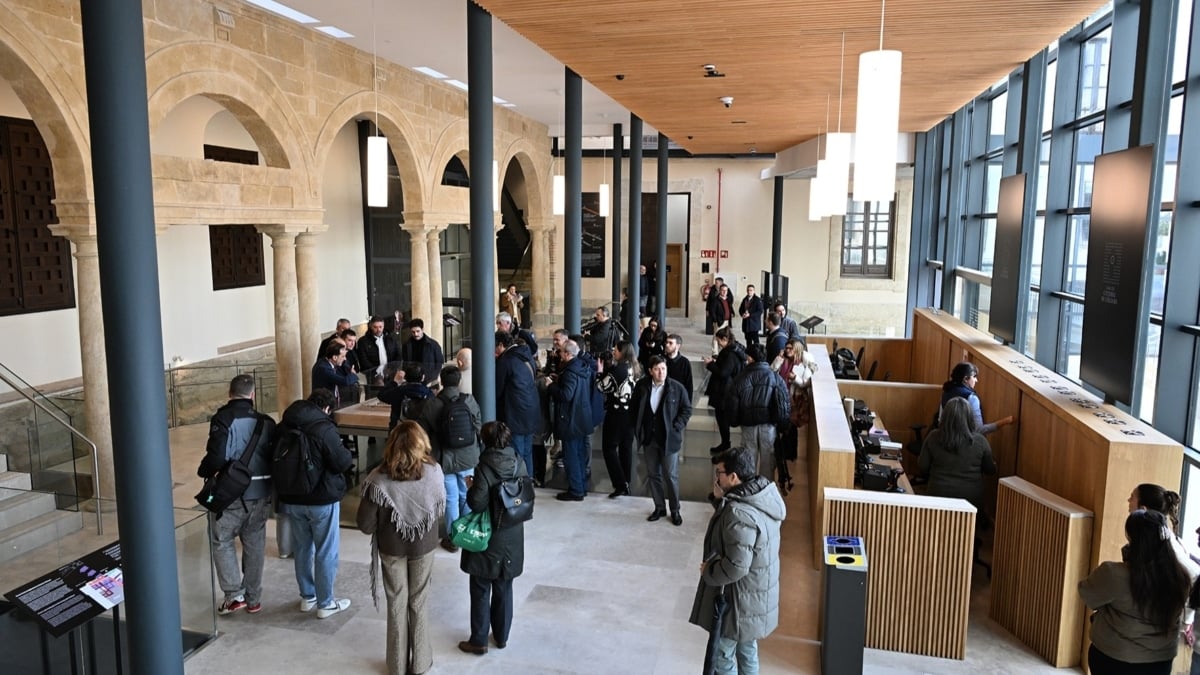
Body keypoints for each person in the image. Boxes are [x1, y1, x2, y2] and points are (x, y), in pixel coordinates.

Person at [356, 421, 446, 675]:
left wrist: (387, 521)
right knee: (419, 601)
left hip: (391, 548)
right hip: (424, 547)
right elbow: (439, 510)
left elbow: (364, 524)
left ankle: (396, 665)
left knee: (397, 603)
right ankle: (419, 664)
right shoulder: (434, 472)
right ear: (422, 443)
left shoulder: (377, 478)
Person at [690, 447, 785, 674]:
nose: (716, 478)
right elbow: (736, 531)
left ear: (733, 477)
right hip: (755, 595)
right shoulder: (761, 496)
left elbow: (736, 566)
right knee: (747, 649)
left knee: (723, 656)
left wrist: (709, 570)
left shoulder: (738, 513)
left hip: (739, 599)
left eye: (719, 473)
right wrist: (719, 499)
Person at [1079, 509, 1195, 674]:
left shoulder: (1113, 574)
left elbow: (1087, 594)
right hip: (1160, 662)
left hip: (1113, 656)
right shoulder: (1181, 578)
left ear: (1133, 540)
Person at [197, 374, 276, 615]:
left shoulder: (222, 418)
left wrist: (204, 470)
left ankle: (233, 595)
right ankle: (253, 599)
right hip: (262, 493)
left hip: (232, 494)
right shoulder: (267, 422)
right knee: (254, 543)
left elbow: (216, 458)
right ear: (253, 394)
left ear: (229, 393)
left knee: (222, 540)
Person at [277, 389, 355, 619]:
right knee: (326, 550)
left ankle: (307, 596)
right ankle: (326, 602)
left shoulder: (285, 424)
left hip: (292, 497)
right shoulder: (323, 428)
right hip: (322, 498)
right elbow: (342, 462)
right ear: (327, 408)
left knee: (302, 548)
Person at [458, 422, 528, 656]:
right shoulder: (519, 461)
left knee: (480, 586)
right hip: (512, 534)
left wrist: (471, 487)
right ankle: (501, 636)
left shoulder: (483, 468)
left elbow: (476, 503)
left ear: (485, 441)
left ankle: (479, 640)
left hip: (490, 535)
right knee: (504, 586)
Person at [416, 365, 482, 553]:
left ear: (442, 382)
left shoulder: (432, 404)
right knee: (467, 494)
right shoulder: (469, 400)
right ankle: (466, 532)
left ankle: (453, 539)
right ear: (459, 381)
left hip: (443, 458)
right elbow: (478, 425)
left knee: (451, 498)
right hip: (468, 457)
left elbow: (422, 431)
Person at [631, 355, 693, 525]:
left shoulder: (676, 388)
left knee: (671, 476)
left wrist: (677, 426)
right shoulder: (642, 386)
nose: (661, 372)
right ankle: (659, 507)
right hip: (649, 439)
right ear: (650, 371)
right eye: (657, 369)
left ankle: (675, 510)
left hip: (669, 440)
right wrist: (638, 429)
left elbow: (686, 409)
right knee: (653, 475)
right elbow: (634, 408)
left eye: (664, 369)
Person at [726, 343, 790, 483]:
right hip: (768, 425)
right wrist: (783, 424)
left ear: (750, 358)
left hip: (748, 424)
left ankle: (749, 487)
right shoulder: (774, 377)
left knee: (748, 459)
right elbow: (783, 401)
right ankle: (765, 488)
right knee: (768, 459)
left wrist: (734, 421)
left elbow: (733, 404)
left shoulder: (740, 378)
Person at [917, 397, 996, 509]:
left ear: (945, 417)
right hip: (970, 501)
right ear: (969, 418)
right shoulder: (980, 441)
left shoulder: (933, 437)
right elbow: (990, 470)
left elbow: (922, 466)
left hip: (938, 496)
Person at [546, 340, 593, 501]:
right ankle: (581, 487)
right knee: (579, 454)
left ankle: (576, 490)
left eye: (560, 352)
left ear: (567, 354)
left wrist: (551, 386)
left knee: (571, 456)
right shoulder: (581, 367)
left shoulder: (570, 371)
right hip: (581, 417)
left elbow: (566, 395)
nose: (558, 355)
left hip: (571, 419)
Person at [494, 331, 539, 480]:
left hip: (515, 413)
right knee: (527, 452)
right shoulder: (526, 355)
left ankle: (519, 488)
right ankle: (528, 484)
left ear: (501, 345)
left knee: (517, 453)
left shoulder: (505, 360)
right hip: (530, 410)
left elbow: (497, 389)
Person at [597, 341, 637, 498]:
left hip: (616, 414)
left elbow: (601, 386)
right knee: (626, 448)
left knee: (609, 448)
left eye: (615, 350)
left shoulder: (618, 370)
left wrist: (600, 372)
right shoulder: (634, 367)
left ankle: (620, 484)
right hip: (630, 414)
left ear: (622, 352)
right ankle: (626, 480)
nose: (613, 352)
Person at [940, 362, 1014, 434]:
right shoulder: (971, 398)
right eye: (974, 377)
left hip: (944, 438)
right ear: (965, 379)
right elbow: (978, 430)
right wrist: (1005, 421)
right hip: (964, 443)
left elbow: (940, 420)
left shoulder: (947, 390)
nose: (976, 380)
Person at [705, 327, 745, 454]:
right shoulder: (732, 351)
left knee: (722, 419)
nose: (718, 344)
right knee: (722, 419)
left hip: (724, 393)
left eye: (719, 341)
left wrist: (710, 364)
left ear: (725, 339)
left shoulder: (730, 354)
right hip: (726, 391)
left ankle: (725, 443)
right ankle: (725, 442)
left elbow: (723, 372)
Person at [377, 363, 434, 428]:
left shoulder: (399, 391)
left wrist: (395, 382)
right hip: (420, 430)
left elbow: (381, 395)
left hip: (399, 429)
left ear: (405, 377)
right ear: (423, 377)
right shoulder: (429, 393)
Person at [311, 340, 359, 406]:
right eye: (343, 356)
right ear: (335, 357)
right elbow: (345, 381)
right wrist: (353, 374)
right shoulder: (324, 368)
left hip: (331, 401)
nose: (345, 359)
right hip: (324, 404)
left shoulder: (328, 362)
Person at [357, 316, 402, 385]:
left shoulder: (391, 338)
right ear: (371, 326)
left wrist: (392, 369)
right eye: (375, 327)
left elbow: (398, 354)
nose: (378, 329)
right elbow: (364, 361)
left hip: (390, 373)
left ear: (383, 326)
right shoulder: (363, 341)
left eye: (380, 327)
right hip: (373, 375)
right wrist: (377, 373)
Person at [401, 319, 445, 386]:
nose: (416, 334)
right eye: (413, 332)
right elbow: (404, 362)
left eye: (418, 331)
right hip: (411, 380)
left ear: (422, 329)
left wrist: (433, 377)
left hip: (428, 380)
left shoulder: (433, 344)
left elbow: (440, 362)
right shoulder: (406, 345)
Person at [663, 333, 694, 401]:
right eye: (666, 342)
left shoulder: (685, 362)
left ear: (677, 346)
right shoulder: (661, 360)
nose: (667, 345)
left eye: (670, 343)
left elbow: (689, 385)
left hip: (678, 398)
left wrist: (688, 404)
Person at [707, 283, 734, 353]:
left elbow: (730, 308)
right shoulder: (716, 300)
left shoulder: (728, 300)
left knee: (726, 336)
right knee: (716, 337)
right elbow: (712, 311)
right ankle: (715, 352)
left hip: (727, 321)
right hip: (719, 321)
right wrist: (715, 320)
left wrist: (732, 313)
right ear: (720, 291)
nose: (724, 292)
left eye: (726, 290)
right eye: (723, 290)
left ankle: (724, 351)